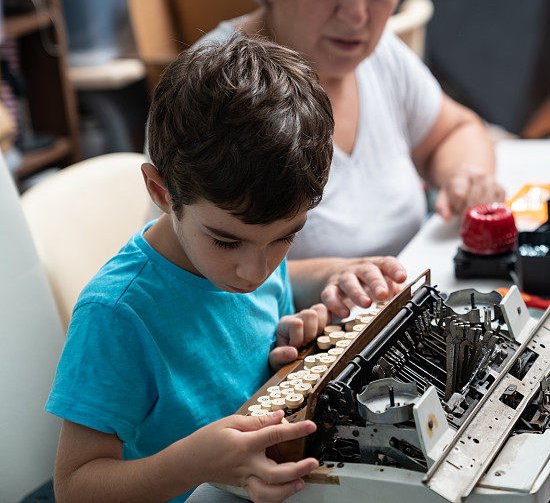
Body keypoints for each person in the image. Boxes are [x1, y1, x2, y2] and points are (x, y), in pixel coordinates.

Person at [46, 35, 392, 503]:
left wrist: (290, 345)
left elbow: (248, 343)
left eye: (286, 236)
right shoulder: (115, 315)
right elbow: (74, 487)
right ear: (162, 191)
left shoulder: (251, 258)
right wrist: (198, 462)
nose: (256, 270)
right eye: (227, 240)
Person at [198, 0, 505, 317]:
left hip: (397, 307)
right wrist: (324, 276)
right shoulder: (219, 85)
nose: (357, 13)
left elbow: (454, 130)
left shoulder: (379, 54)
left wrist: (466, 175)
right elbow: (195, 264)